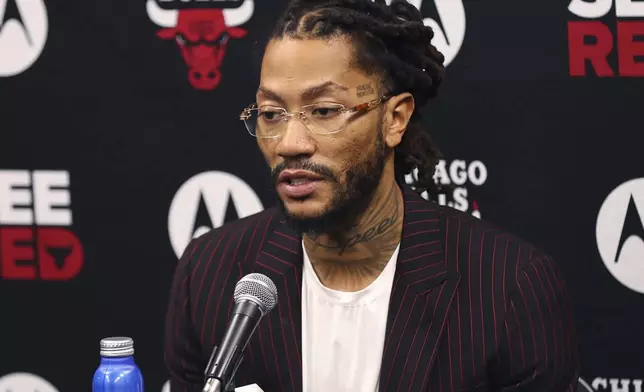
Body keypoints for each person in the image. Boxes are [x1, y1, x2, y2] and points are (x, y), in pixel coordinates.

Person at [164, 0, 580, 391]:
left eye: (324, 111)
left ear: (394, 119)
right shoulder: (209, 276)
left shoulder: (509, 287)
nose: (289, 143)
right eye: (272, 114)